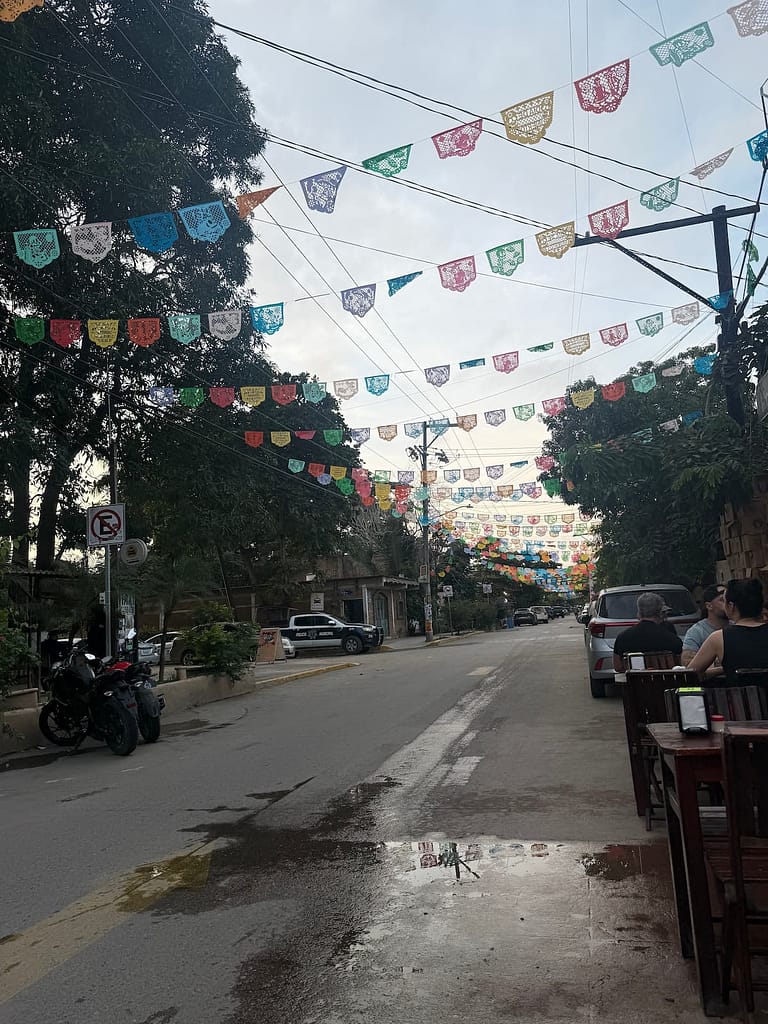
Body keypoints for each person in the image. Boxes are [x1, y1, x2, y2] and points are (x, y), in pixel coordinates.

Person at [688, 578, 768, 683]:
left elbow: (689, 674)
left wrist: (721, 669)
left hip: (738, 698)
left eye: (724, 601)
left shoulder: (718, 638)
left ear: (731, 606)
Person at [612, 592, 683, 672]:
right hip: (666, 683)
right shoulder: (673, 640)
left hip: (635, 684)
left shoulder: (622, 638)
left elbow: (618, 667)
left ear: (639, 612)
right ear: (659, 612)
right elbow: (680, 664)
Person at [681, 584, 728, 666]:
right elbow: (688, 665)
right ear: (709, 606)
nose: (728, 603)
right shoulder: (696, 632)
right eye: (722, 600)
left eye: (730, 600)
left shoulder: (738, 627)